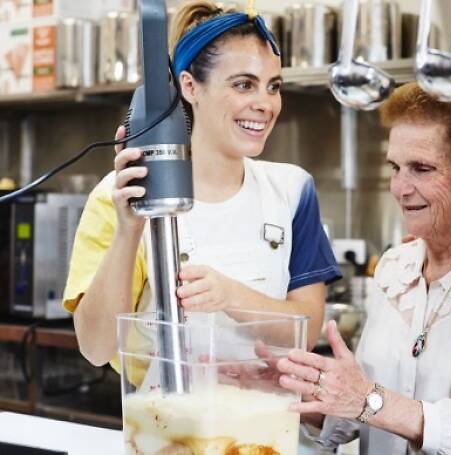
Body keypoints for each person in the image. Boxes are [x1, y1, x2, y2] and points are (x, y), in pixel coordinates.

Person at [277, 82, 451, 454]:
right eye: (395, 167)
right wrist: (287, 390)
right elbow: (362, 406)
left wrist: (365, 399)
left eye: (421, 169)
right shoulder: (395, 265)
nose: (399, 188)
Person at [63, 0, 340, 369]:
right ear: (190, 87)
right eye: (244, 85)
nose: (265, 104)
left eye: (273, 87)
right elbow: (95, 348)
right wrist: (129, 230)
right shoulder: (121, 195)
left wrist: (230, 296)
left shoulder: (292, 190)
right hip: (163, 420)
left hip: (269, 420)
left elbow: (305, 332)